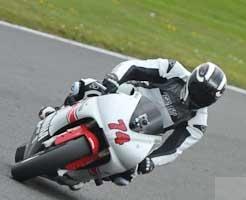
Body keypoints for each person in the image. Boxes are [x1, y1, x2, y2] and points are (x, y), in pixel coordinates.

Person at [38, 59, 226, 189]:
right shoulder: (173, 70)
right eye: (198, 91)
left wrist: (151, 161)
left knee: (124, 176)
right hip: (125, 98)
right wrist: (113, 79)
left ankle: (82, 175)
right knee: (85, 86)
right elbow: (134, 66)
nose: (199, 98)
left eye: (205, 98)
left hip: (143, 134)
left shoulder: (198, 123)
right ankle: (58, 112)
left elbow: (173, 148)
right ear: (192, 80)